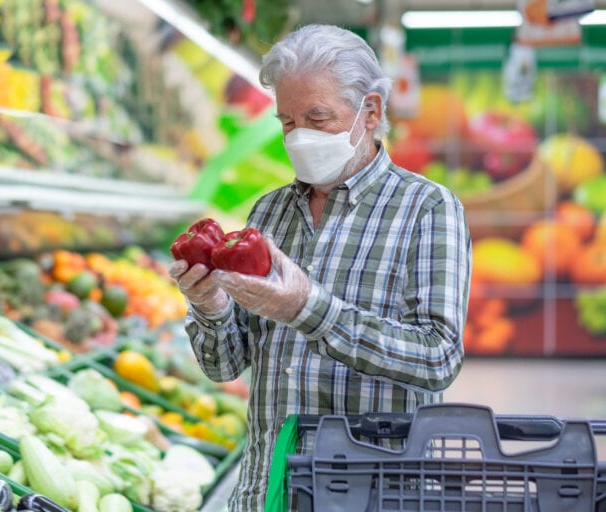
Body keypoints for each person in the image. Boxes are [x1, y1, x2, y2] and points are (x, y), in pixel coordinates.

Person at [169, 24, 471, 512]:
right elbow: (224, 365)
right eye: (287, 121)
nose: (299, 136)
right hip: (268, 492)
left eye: (318, 117)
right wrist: (209, 304)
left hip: (373, 496)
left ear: (369, 113)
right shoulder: (267, 215)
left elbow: (437, 358)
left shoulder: (428, 209)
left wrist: (309, 309)